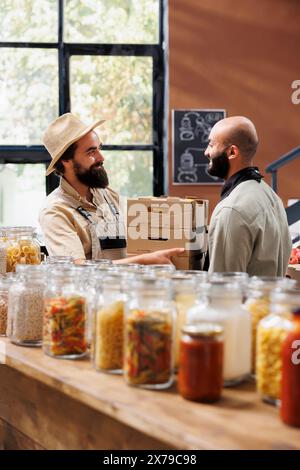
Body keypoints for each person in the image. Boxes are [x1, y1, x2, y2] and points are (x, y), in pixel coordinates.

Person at [39, 113, 184, 264]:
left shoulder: (106, 195)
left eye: (99, 148)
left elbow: (141, 228)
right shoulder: (55, 211)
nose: (101, 157)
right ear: (66, 160)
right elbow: (77, 272)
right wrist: (143, 261)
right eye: (91, 152)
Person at [204, 116, 292, 276]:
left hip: (244, 301)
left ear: (232, 152)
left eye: (211, 144)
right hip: (267, 300)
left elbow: (223, 289)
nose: (206, 152)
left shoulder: (232, 209)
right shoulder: (272, 196)